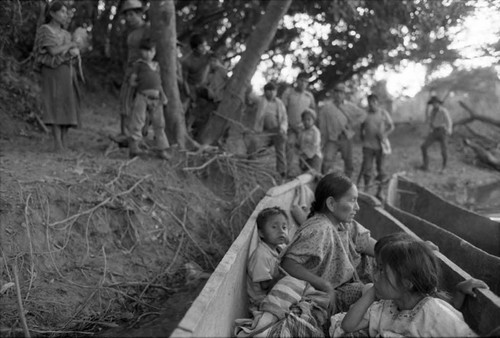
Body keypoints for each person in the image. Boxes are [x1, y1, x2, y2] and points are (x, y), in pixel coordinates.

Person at [333, 232, 478, 337]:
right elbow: (348, 325)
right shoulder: (387, 307)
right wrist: (373, 291)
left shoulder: (433, 313)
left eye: (382, 270)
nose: (374, 275)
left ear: (406, 283)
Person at [281, 172, 377, 313]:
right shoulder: (320, 229)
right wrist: (325, 286)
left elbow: (370, 244)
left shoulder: (343, 223)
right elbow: (288, 263)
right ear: (331, 204)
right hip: (330, 294)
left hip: (344, 286)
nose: (357, 207)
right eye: (352, 200)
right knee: (374, 293)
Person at [34, 0, 81, 152]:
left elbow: (70, 53)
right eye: (62, 11)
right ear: (52, 13)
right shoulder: (45, 30)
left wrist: (74, 49)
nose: (65, 15)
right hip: (51, 73)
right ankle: (57, 143)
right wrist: (70, 45)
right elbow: (53, 51)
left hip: (66, 72)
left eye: (66, 12)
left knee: (67, 105)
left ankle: (64, 143)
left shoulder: (66, 34)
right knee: (54, 104)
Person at [127, 38, 171, 160]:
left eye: (150, 51)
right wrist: (139, 84)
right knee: (138, 121)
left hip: (156, 99)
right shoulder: (139, 65)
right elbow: (132, 81)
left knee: (159, 124)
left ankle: (162, 149)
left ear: (154, 51)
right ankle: (134, 147)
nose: (147, 54)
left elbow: (159, 83)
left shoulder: (156, 66)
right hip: (142, 97)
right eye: (144, 51)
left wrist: (163, 95)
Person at [116, 0, 150, 142]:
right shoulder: (132, 32)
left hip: (143, 71)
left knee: (142, 104)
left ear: (140, 14)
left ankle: (140, 135)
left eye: (131, 15)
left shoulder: (148, 29)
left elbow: (151, 52)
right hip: (130, 70)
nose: (128, 18)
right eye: (126, 15)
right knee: (125, 101)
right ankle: (124, 133)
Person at [318, 83, 365, 177]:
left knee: (348, 161)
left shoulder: (350, 106)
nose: (338, 95)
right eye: (336, 92)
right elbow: (322, 124)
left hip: (346, 138)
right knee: (327, 160)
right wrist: (323, 138)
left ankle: (347, 183)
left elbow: (363, 114)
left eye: (341, 93)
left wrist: (352, 124)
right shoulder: (327, 108)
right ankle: (323, 180)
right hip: (332, 138)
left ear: (344, 94)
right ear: (333, 94)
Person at [247, 207, 289, 310]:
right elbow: (264, 286)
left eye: (284, 227)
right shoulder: (261, 256)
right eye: (274, 227)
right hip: (262, 299)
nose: (281, 231)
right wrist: (282, 277)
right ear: (261, 233)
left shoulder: (279, 247)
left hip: (274, 290)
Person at [247, 82, 288, 178]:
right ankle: (250, 164)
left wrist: (283, 128)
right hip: (263, 130)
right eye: (268, 91)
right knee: (254, 142)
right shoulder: (260, 100)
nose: (271, 93)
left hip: (277, 130)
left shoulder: (279, 103)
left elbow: (284, 118)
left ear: (276, 92)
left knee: (280, 149)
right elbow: (251, 96)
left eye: (273, 91)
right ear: (265, 92)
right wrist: (249, 87)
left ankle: (282, 172)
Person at [281, 72, 317, 177]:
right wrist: (288, 125)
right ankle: (289, 173)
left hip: (305, 129)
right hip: (290, 128)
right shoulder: (288, 93)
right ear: (297, 81)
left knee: (306, 151)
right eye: (301, 80)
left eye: (306, 82)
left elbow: (313, 113)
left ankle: (304, 174)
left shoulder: (309, 96)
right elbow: (282, 111)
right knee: (290, 148)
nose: (303, 83)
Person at [358, 94, 394, 193]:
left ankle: (380, 191)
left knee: (381, 170)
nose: (372, 104)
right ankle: (366, 189)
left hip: (380, 146)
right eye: (370, 102)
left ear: (377, 102)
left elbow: (391, 126)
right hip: (368, 145)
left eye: (374, 102)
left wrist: (384, 135)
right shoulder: (365, 114)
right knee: (367, 168)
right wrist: (362, 135)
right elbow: (361, 126)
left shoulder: (383, 113)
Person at [181, 33, 211, 132]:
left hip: (203, 87)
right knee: (185, 109)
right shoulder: (187, 61)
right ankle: (184, 129)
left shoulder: (208, 56)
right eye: (201, 46)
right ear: (195, 48)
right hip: (190, 87)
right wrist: (189, 94)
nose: (204, 48)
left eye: (205, 45)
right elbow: (184, 80)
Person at [420, 95, 453, 172]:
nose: (434, 104)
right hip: (434, 131)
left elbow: (449, 121)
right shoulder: (432, 111)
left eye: (436, 103)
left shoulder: (443, 111)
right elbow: (431, 122)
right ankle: (426, 165)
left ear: (438, 103)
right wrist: (430, 130)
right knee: (423, 146)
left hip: (442, 131)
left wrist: (449, 130)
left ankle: (444, 168)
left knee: (444, 150)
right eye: (433, 103)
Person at [297, 108, 322, 173]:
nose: (306, 122)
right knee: (303, 177)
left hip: (313, 158)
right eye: (304, 119)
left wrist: (305, 155)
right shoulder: (301, 131)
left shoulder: (316, 132)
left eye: (309, 119)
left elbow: (314, 146)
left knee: (313, 177)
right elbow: (299, 144)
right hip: (302, 158)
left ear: (313, 120)